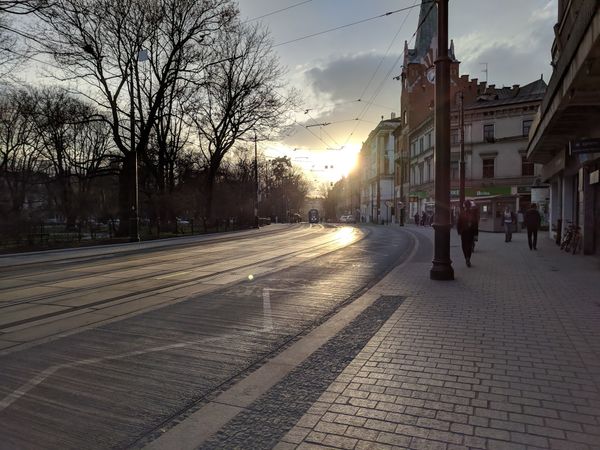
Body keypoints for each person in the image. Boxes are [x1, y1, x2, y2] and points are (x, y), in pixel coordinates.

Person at [457, 201, 479, 267]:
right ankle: (468, 258)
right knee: (468, 246)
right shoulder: (466, 213)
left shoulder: (463, 213)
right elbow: (475, 224)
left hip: (466, 232)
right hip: (468, 232)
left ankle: (467, 258)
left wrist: (459, 231)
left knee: (465, 246)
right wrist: (476, 234)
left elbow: (459, 223)